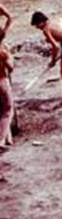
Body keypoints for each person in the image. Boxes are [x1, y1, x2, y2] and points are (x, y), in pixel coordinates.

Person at [0, 11, 14, 147]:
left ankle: (8, 137)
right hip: (1, 81)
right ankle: (1, 139)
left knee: (1, 109)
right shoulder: (2, 52)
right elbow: (10, 68)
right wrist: (10, 58)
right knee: (8, 109)